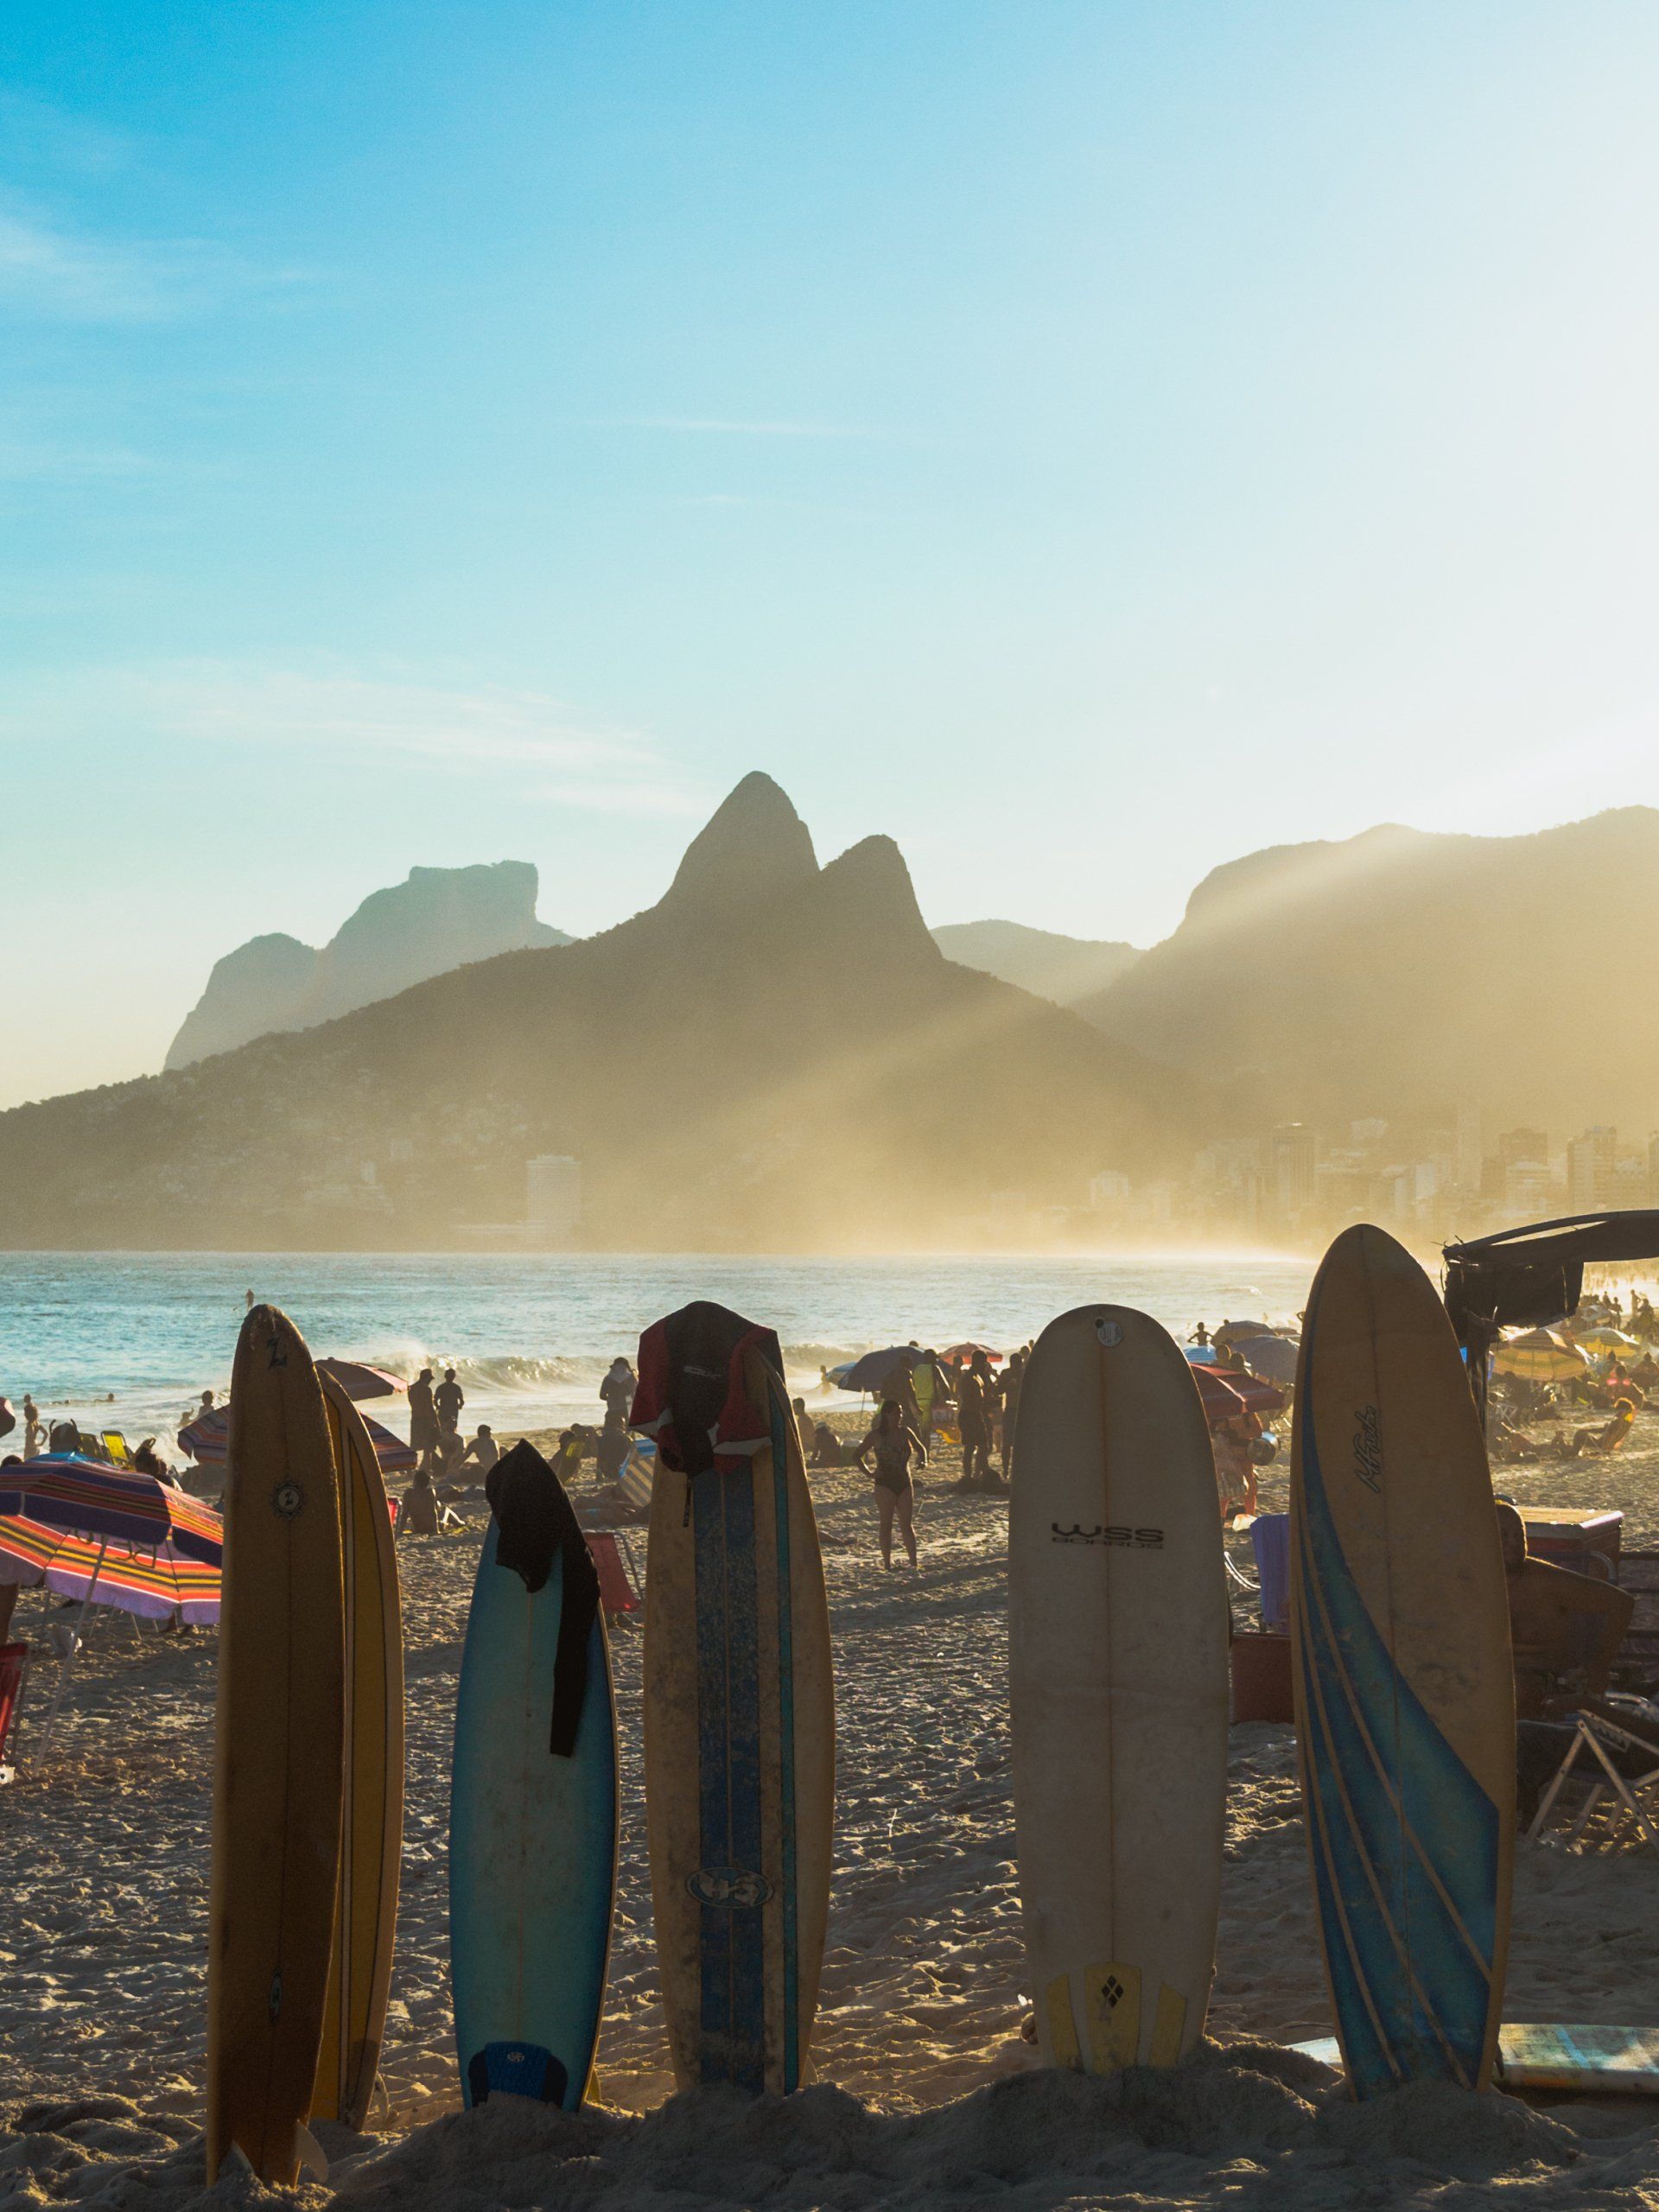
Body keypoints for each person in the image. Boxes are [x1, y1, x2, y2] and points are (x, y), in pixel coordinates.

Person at [855, 1398, 925, 1569]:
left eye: (900, 1413)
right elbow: (856, 1455)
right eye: (896, 1413)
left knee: (906, 1525)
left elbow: (920, 1447)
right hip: (884, 1485)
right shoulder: (875, 1436)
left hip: (904, 1483)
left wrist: (923, 1460)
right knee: (886, 1524)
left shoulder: (905, 1432)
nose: (899, 1416)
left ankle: (914, 1563)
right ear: (886, 1415)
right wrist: (869, 1474)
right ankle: (887, 1564)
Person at [1568, 1398, 1637, 1457]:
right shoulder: (1628, 1423)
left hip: (1601, 1445)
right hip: (1611, 1445)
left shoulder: (1617, 1422)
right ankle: (1574, 1452)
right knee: (1583, 1434)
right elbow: (1610, 1432)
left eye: (1618, 1410)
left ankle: (1574, 1453)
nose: (1617, 1412)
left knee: (1579, 1433)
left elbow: (1602, 1430)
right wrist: (1607, 1428)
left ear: (1621, 1410)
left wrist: (1588, 1430)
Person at [600, 1357, 636, 1423]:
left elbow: (602, 1396)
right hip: (628, 1407)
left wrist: (612, 1399)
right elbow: (636, 1394)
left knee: (613, 1424)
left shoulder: (608, 1378)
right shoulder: (631, 1377)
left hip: (612, 1407)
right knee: (629, 1425)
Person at [435, 1367, 464, 1437]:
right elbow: (462, 1401)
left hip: (443, 1411)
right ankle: (451, 1444)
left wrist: (437, 1406)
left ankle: (444, 1444)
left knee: (442, 1428)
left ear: (445, 1376)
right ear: (454, 1377)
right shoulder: (456, 1387)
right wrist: (460, 1406)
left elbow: (435, 1400)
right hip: (453, 1410)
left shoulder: (441, 1387)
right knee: (452, 1429)